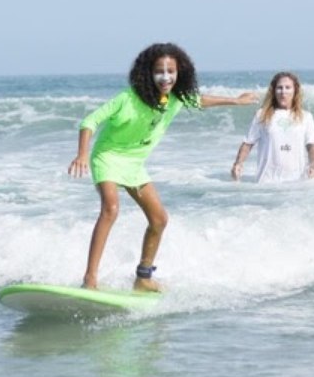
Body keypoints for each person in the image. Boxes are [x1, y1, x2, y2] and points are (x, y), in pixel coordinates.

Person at [68, 43, 257, 291]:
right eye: (159, 71)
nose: (166, 77)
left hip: (134, 163)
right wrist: (82, 154)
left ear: (180, 73)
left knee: (159, 219)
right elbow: (89, 121)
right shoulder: (127, 98)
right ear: (148, 72)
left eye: (171, 71)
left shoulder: (176, 99)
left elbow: (201, 100)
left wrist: (235, 101)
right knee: (111, 208)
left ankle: (143, 278)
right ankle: (90, 279)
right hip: (107, 157)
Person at [231, 71, 314, 183]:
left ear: (295, 90)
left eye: (288, 88)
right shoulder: (262, 114)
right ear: (274, 91)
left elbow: (312, 147)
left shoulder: (306, 116)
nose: (283, 92)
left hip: (296, 182)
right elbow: (248, 143)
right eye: (279, 88)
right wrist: (238, 163)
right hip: (266, 182)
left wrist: (313, 166)